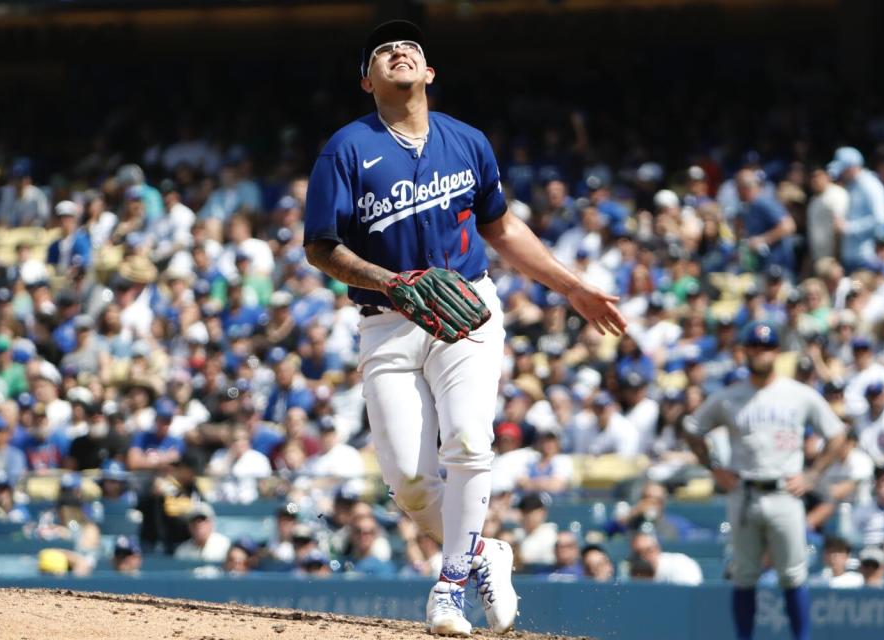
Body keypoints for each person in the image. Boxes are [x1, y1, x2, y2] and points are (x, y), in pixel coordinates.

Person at [303, 19, 625, 637]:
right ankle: (484, 553)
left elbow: (500, 229)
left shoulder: (467, 141)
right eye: (383, 51)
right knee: (411, 485)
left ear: (428, 74)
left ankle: (450, 586)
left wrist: (572, 286)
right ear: (366, 80)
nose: (398, 51)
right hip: (388, 319)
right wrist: (390, 282)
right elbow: (321, 247)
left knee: (471, 442)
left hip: (467, 309)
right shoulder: (345, 148)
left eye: (410, 49)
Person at [683, 321, 846, 640]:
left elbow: (837, 434)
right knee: (744, 575)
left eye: (768, 346)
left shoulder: (798, 394)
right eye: (755, 347)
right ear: (744, 352)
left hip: (786, 491)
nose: (761, 352)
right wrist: (713, 467)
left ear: (777, 351)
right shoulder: (729, 396)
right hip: (744, 491)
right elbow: (692, 428)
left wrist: (813, 474)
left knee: (793, 575)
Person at [827, 147, 884, 272]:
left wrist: (849, 227)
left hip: (865, 258)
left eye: (843, 170)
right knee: (852, 288)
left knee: (859, 288)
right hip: (850, 257)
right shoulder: (850, 185)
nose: (840, 174)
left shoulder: (870, 185)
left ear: (852, 167)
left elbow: (881, 219)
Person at [629, 531, 703, 586]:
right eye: (638, 553)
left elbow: (690, 595)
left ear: (657, 549)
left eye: (648, 551)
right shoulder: (635, 571)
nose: (643, 556)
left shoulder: (681, 564)